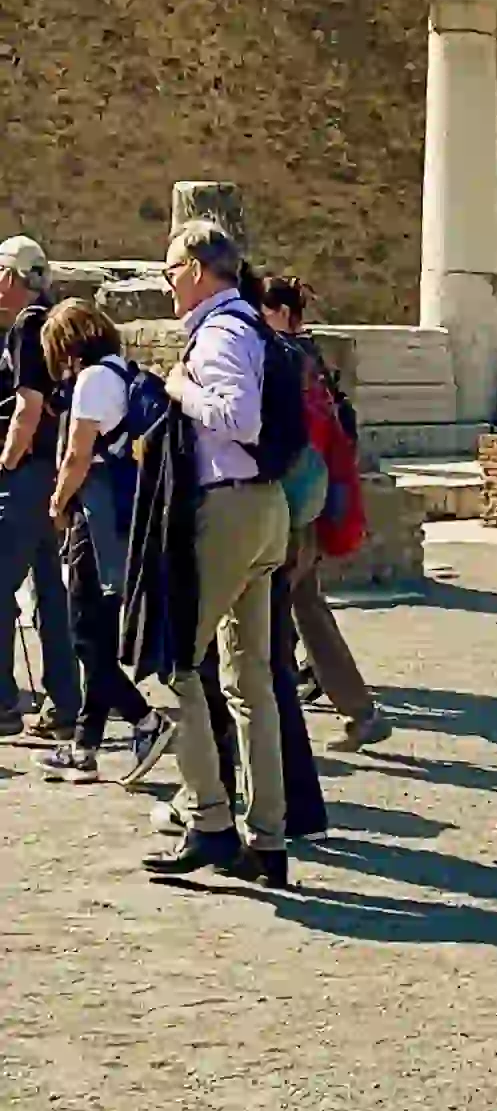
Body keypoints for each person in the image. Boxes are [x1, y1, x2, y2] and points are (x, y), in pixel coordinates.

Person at [147, 223, 298, 884]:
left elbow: (239, 419)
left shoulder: (222, 333)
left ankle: (209, 819)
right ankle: (267, 840)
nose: (167, 281)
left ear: (201, 269)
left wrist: (179, 390)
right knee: (250, 681)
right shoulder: (251, 328)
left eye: (171, 268)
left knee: (178, 663)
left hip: (233, 509)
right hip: (265, 508)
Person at [33, 299, 158, 783]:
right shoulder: (122, 372)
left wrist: (56, 504)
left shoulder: (90, 382)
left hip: (94, 519)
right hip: (122, 517)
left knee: (85, 637)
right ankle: (85, 748)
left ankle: (146, 720)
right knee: (98, 636)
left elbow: (77, 456)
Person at [255, 276, 379, 744]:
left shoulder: (290, 359)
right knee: (305, 607)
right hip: (306, 500)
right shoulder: (308, 358)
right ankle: (359, 711)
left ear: (284, 313)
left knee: (275, 612)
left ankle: (280, 723)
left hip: (293, 503)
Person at [0, 239, 62, 752]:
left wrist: (5, 461)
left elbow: (28, 408)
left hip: (24, 473)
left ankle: (2, 704)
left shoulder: (26, 326)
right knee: (51, 595)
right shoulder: (54, 321)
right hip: (49, 472)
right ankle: (65, 702)